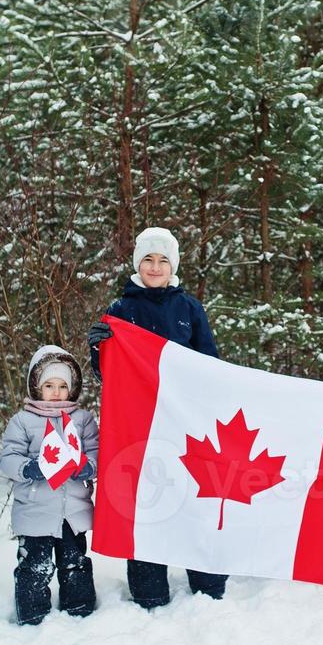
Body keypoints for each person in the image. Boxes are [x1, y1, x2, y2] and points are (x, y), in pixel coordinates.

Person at [88, 226, 227, 608]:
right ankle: (149, 585)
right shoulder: (121, 310)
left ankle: (207, 578)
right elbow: (108, 375)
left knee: (194, 495)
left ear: (173, 266)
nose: (155, 266)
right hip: (141, 423)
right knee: (148, 498)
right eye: (148, 259)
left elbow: (209, 363)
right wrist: (99, 348)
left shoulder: (189, 308)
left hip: (186, 420)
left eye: (163, 260)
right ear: (137, 264)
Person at [0, 346, 99, 625]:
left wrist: (88, 466)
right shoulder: (23, 421)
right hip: (35, 510)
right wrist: (28, 468)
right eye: (49, 385)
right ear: (36, 386)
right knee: (35, 566)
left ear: (72, 388)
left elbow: (96, 451)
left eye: (63, 385)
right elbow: (7, 458)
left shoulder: (82, 420)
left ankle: (80, 609)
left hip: (73, 511)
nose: (56, 391)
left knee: (75, 561)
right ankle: (32, 614)